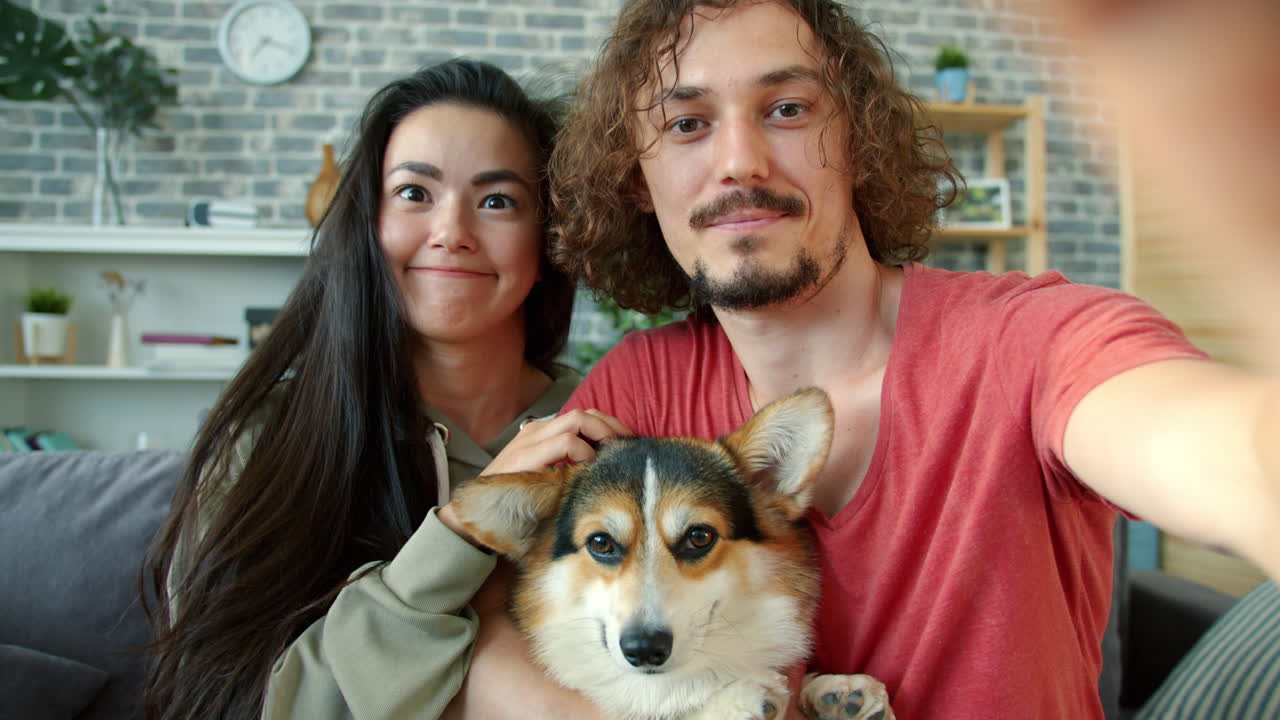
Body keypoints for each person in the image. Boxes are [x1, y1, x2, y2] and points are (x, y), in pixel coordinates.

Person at [447, 0, 1280, 717]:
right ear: (637, 179)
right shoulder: (639, 390)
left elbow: (1223, 453)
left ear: (859, 138)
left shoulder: (1033, 344)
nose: (739, 161)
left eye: (787, 108)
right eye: (687, 123)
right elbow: (492, 629)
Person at [141, 58, 626, 720]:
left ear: (546, 244)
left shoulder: (607, 429)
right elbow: (225, 702)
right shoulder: (271, 442)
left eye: (496, 201)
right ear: (368, 226)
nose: (452, 232)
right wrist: (460, 535)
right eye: (413, 194)